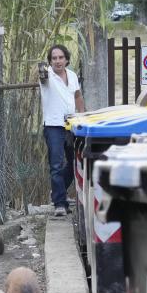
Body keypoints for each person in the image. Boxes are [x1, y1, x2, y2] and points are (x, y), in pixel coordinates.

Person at [38, 44, 85, 217]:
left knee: (76, 162)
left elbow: (78, 96)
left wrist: (83, 116)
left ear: (66, 59)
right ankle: (60, 203)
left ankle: (58, 192)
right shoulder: (47, 76)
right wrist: (42, 69)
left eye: (61, 57)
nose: (58, 61)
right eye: (54, 58)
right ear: (50, 61)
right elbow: (42, 77)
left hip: (72, 124)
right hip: (53, 126)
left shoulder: (72, 75)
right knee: (56, 165)